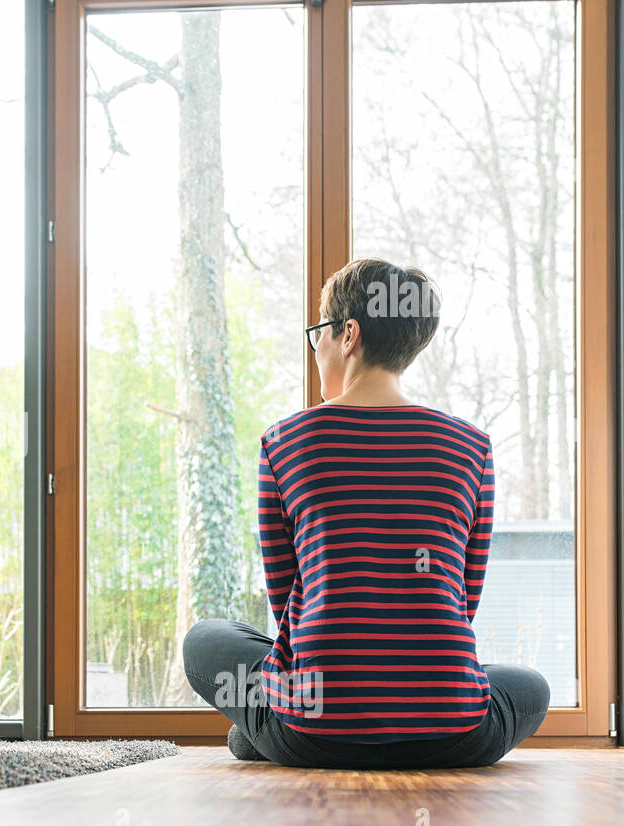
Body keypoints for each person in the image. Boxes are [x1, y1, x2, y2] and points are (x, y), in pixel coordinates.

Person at [183, 258, 549, 769]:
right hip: (454, 734)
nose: (317, 351)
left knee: (206, 640)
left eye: (319, 335)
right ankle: (400, 704)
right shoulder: (472, 448)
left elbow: (289, 596)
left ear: (348, 334)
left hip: (312, 731)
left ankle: (265, 730)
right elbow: (463, 599)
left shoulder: (283, 443)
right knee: (529, 685)